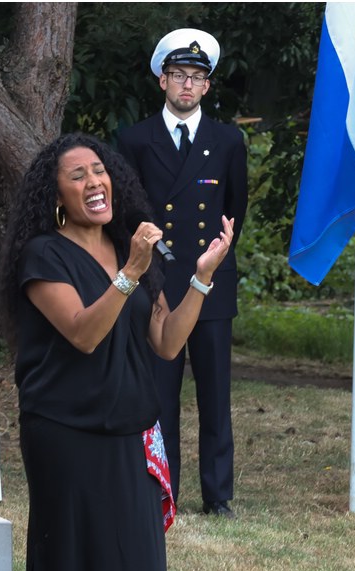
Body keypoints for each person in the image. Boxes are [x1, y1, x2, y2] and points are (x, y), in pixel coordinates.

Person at [0, 132, 234, 571]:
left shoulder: (132, 251)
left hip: (128, 431)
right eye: (78, 175)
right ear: (56, 194)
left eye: (100, 171)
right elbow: (82, 332)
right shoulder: (43, 256)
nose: (94, 182)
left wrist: (201, 280)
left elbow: (163, 341)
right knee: (60, 566)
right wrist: (129, 270)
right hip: (64, 434)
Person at [118, 28, 248, 518]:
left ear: (208, 87)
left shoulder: (228, 140)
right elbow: (128, 209)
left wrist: (211, 261)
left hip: (209, 281)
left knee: (215, 394)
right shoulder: (134, 139)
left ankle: (219, 496)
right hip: (159, 282)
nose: (187, 86)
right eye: (178, 76)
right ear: (162, 81)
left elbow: (235, 209)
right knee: (160, 391)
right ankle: (160, 487)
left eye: (196, 78)